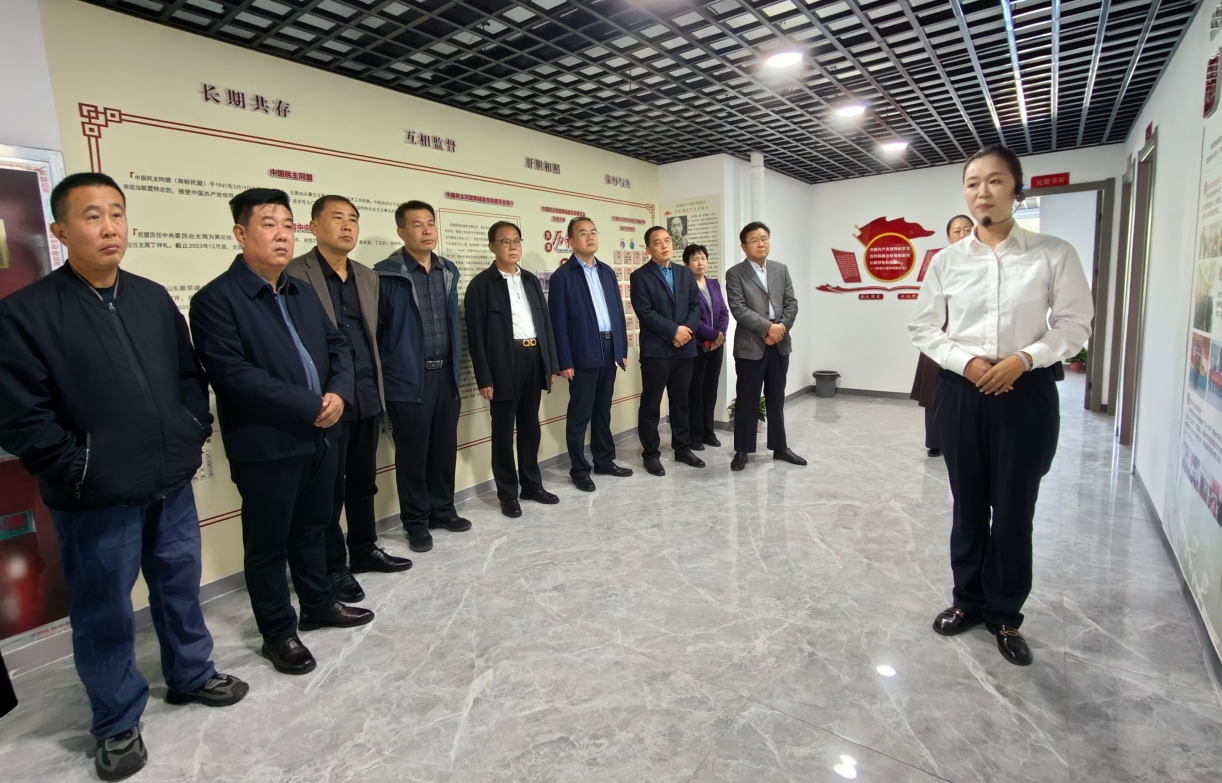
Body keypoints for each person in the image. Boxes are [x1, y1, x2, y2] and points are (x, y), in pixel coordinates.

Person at [0, 172, 246, 781]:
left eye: (116, 213)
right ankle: (115, 720)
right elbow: (21, 416)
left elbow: (189, 376)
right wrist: (78, 466)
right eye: (92, 216)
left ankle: (191, 674)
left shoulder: (151, 297)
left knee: (179, 586)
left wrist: (190, 430)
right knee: (104, 611)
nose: (109, 227)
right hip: (94, 497)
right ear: (59, 230)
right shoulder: (26, 313)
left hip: (168, 481)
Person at [910, 145, 1093, 666]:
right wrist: (965, 362)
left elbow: (1075, 324)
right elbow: (923, 326)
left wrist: (1024, 358)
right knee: (967, 503)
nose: (982, 192)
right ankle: (966, 601)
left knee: (1014, 508)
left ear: (1017, 187)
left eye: (994, 181)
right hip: (963, 392)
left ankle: (1006, 613)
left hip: (1025, 391)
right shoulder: (947, 260)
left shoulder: (1052, 252)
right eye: (972, 183)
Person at [191, 188, 373, 680]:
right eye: (268, 224)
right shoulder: (216, 300)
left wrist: (338, 395)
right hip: (266, 444)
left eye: (287, 225)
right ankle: (277, 632)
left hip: (320, 436)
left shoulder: (300, 291)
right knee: (268, 545)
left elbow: (338, 347)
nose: (281, 235)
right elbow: (234, 375)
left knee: (314, 528)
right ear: (240, 233)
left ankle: (318, 604)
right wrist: (311, 406)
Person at [287, 195, 412, 605]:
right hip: (325, 400)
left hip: (366, 393)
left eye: (353, 219)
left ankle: (364, 548)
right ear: (313, 226)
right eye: (337, 218)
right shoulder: (294, 274)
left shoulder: (367, 276)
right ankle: (332, 565)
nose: (347, 226)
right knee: (327, 491)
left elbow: (374, 336)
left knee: (363, 481)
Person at [375, 201, 470, 552]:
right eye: (417, 224)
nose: (427, 230)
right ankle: (416, 522)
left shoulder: (447, 270)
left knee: (444, 448)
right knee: (413, 455)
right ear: (402, 232)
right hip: (408, 379)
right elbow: (378, 332)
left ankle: (443, 510)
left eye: (431, 223)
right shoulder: (385, 275)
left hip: (446, 375)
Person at [465, 221, 561, 518]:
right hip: (503, 363)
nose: (512, 246)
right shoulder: (481, 285)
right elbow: (475, 337)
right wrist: (484, 377)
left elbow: (545, 325)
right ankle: (508, 493)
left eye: (516, 240)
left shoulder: (530, 280)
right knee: (503, 432)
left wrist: (550, 364)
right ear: (492, 246)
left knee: (530, 427)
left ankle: (532, 485)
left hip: (533, 358)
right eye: (505, 241)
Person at [548, 217, 632, 491]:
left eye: (593, 232)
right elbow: (558, 322)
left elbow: (617, 312)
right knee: (580, 414)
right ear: (570, 241)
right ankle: (579, 468)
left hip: (609, 348)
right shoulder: (563, 276)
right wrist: (565, 360)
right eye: (583, 233)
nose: (590, 237)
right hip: (582, 351)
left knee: (602, 410)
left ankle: (604, 460)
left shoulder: (606, 272)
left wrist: (620, 349)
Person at [724, 222, 805, 471]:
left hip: (779, 343)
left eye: (764, 238)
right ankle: (742, 450)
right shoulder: (735, 273)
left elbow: (791, 303)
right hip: (751, 345)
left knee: (776, 397)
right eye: (755, 240)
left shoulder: (781, 269)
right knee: (747, 398)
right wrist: (768, 329)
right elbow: (739, 309)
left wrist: (780, 329)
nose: (761, 244)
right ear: (743, 246)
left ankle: (780, 447)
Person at [630, 226, 704, 475]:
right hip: (656, 351)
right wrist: (674, 331)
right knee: (651, 406)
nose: (664, 245)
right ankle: (651, 454)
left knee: (681, 402)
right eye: (657, 242)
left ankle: (682, 448)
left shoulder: (685, 273)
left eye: (667, 240)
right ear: (648, 249)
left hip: (685, 349)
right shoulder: (640, 276)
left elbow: (695, 306)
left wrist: (685, 333)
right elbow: (645, 312)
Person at [910, 215, 974, 458]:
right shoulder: (942, 262)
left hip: (970, 336)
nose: (963, 234)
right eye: (957, 231)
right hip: (940, 333)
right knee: (935, 390)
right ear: (948, 237)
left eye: (967, 229)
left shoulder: (985, 262)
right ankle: (936, 440)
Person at [682, 243, 729, 450]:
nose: (700, 262)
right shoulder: (685, 287)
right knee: (696, 391)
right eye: (695, 259)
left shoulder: (713, 284)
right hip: (698, 346)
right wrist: (713, 335)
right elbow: (691, 319)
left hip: (716, 346)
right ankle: (695, 436)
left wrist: (721, 334)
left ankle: (709, 432)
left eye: (703, 258)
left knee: (711, 390)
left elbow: (724, 312)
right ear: (686, 264)